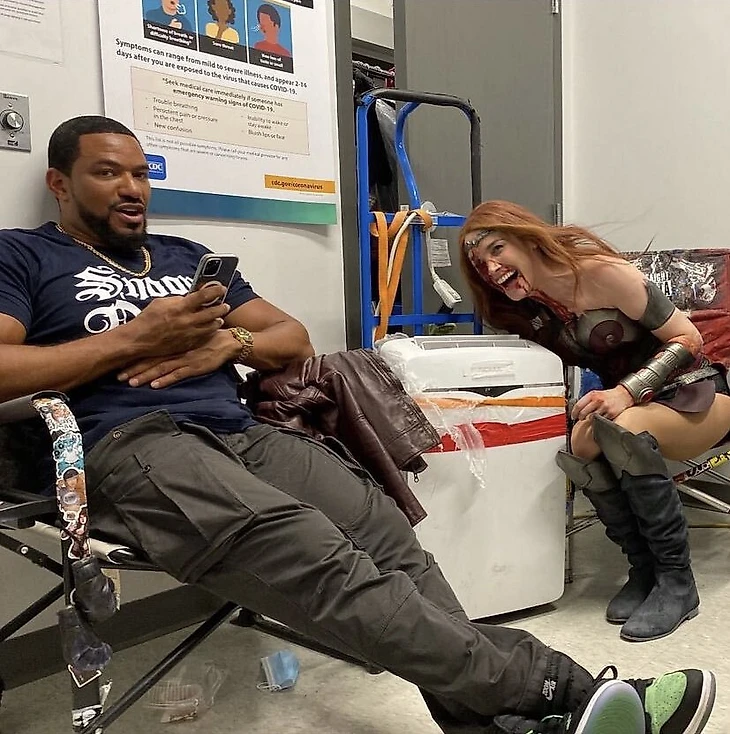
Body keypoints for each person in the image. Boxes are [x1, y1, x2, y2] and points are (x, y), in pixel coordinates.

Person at [0, 117, 716, 734]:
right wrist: (133, 339)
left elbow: (291, 338)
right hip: (132, 443)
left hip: (239, 432)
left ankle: (490, 721)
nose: (131, 188)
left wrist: (230, 344)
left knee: (385, 532)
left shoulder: (185, 258)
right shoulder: (24, 256)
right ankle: (564, 692)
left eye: (139, 173)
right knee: (310, 550)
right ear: (60, 183)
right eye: (107, 173)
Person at [459, 199, 730, 645]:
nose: (490, 268)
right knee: (581, 445)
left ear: (528, 239)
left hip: (697, 392)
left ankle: (677, 582)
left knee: (622, 430)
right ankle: (643, 570)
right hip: (627, 408)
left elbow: (689, 338)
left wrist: (625, 392)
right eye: (479, 263)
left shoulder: (602, 272)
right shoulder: (526, 308)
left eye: (497, 249)